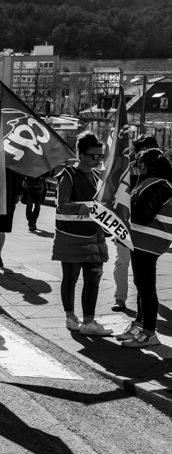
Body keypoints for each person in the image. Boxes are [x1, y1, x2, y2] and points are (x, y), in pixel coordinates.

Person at [52, 132, 111, 335]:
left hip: (94, 236)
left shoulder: (97, 176)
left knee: (93, 280)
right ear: (81, 155)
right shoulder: (68, 175)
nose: (98, 159)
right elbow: (62, 206)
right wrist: (80, 208)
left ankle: (89, 322)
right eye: (95, 156)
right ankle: (70, 318)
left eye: (100, 156)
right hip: (71, 236)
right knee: (70, 278)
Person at [120, 147, 172, 348]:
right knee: (142, 285)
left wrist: (125, 206)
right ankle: (142, 327)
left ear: (148, 164)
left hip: (149, 242)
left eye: (139, 164)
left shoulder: (160, 185)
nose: (136, 168)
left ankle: (150, 333)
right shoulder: (154, 183)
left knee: (146, 287)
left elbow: (143, 215)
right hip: (142, 240)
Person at [114, 136, 158, 312]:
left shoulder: (158, 170)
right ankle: (120, 297)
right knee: (122, 260)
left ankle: (145, 301)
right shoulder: (127, 168)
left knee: (145, 269)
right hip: (126, 222)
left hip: (147, 226)